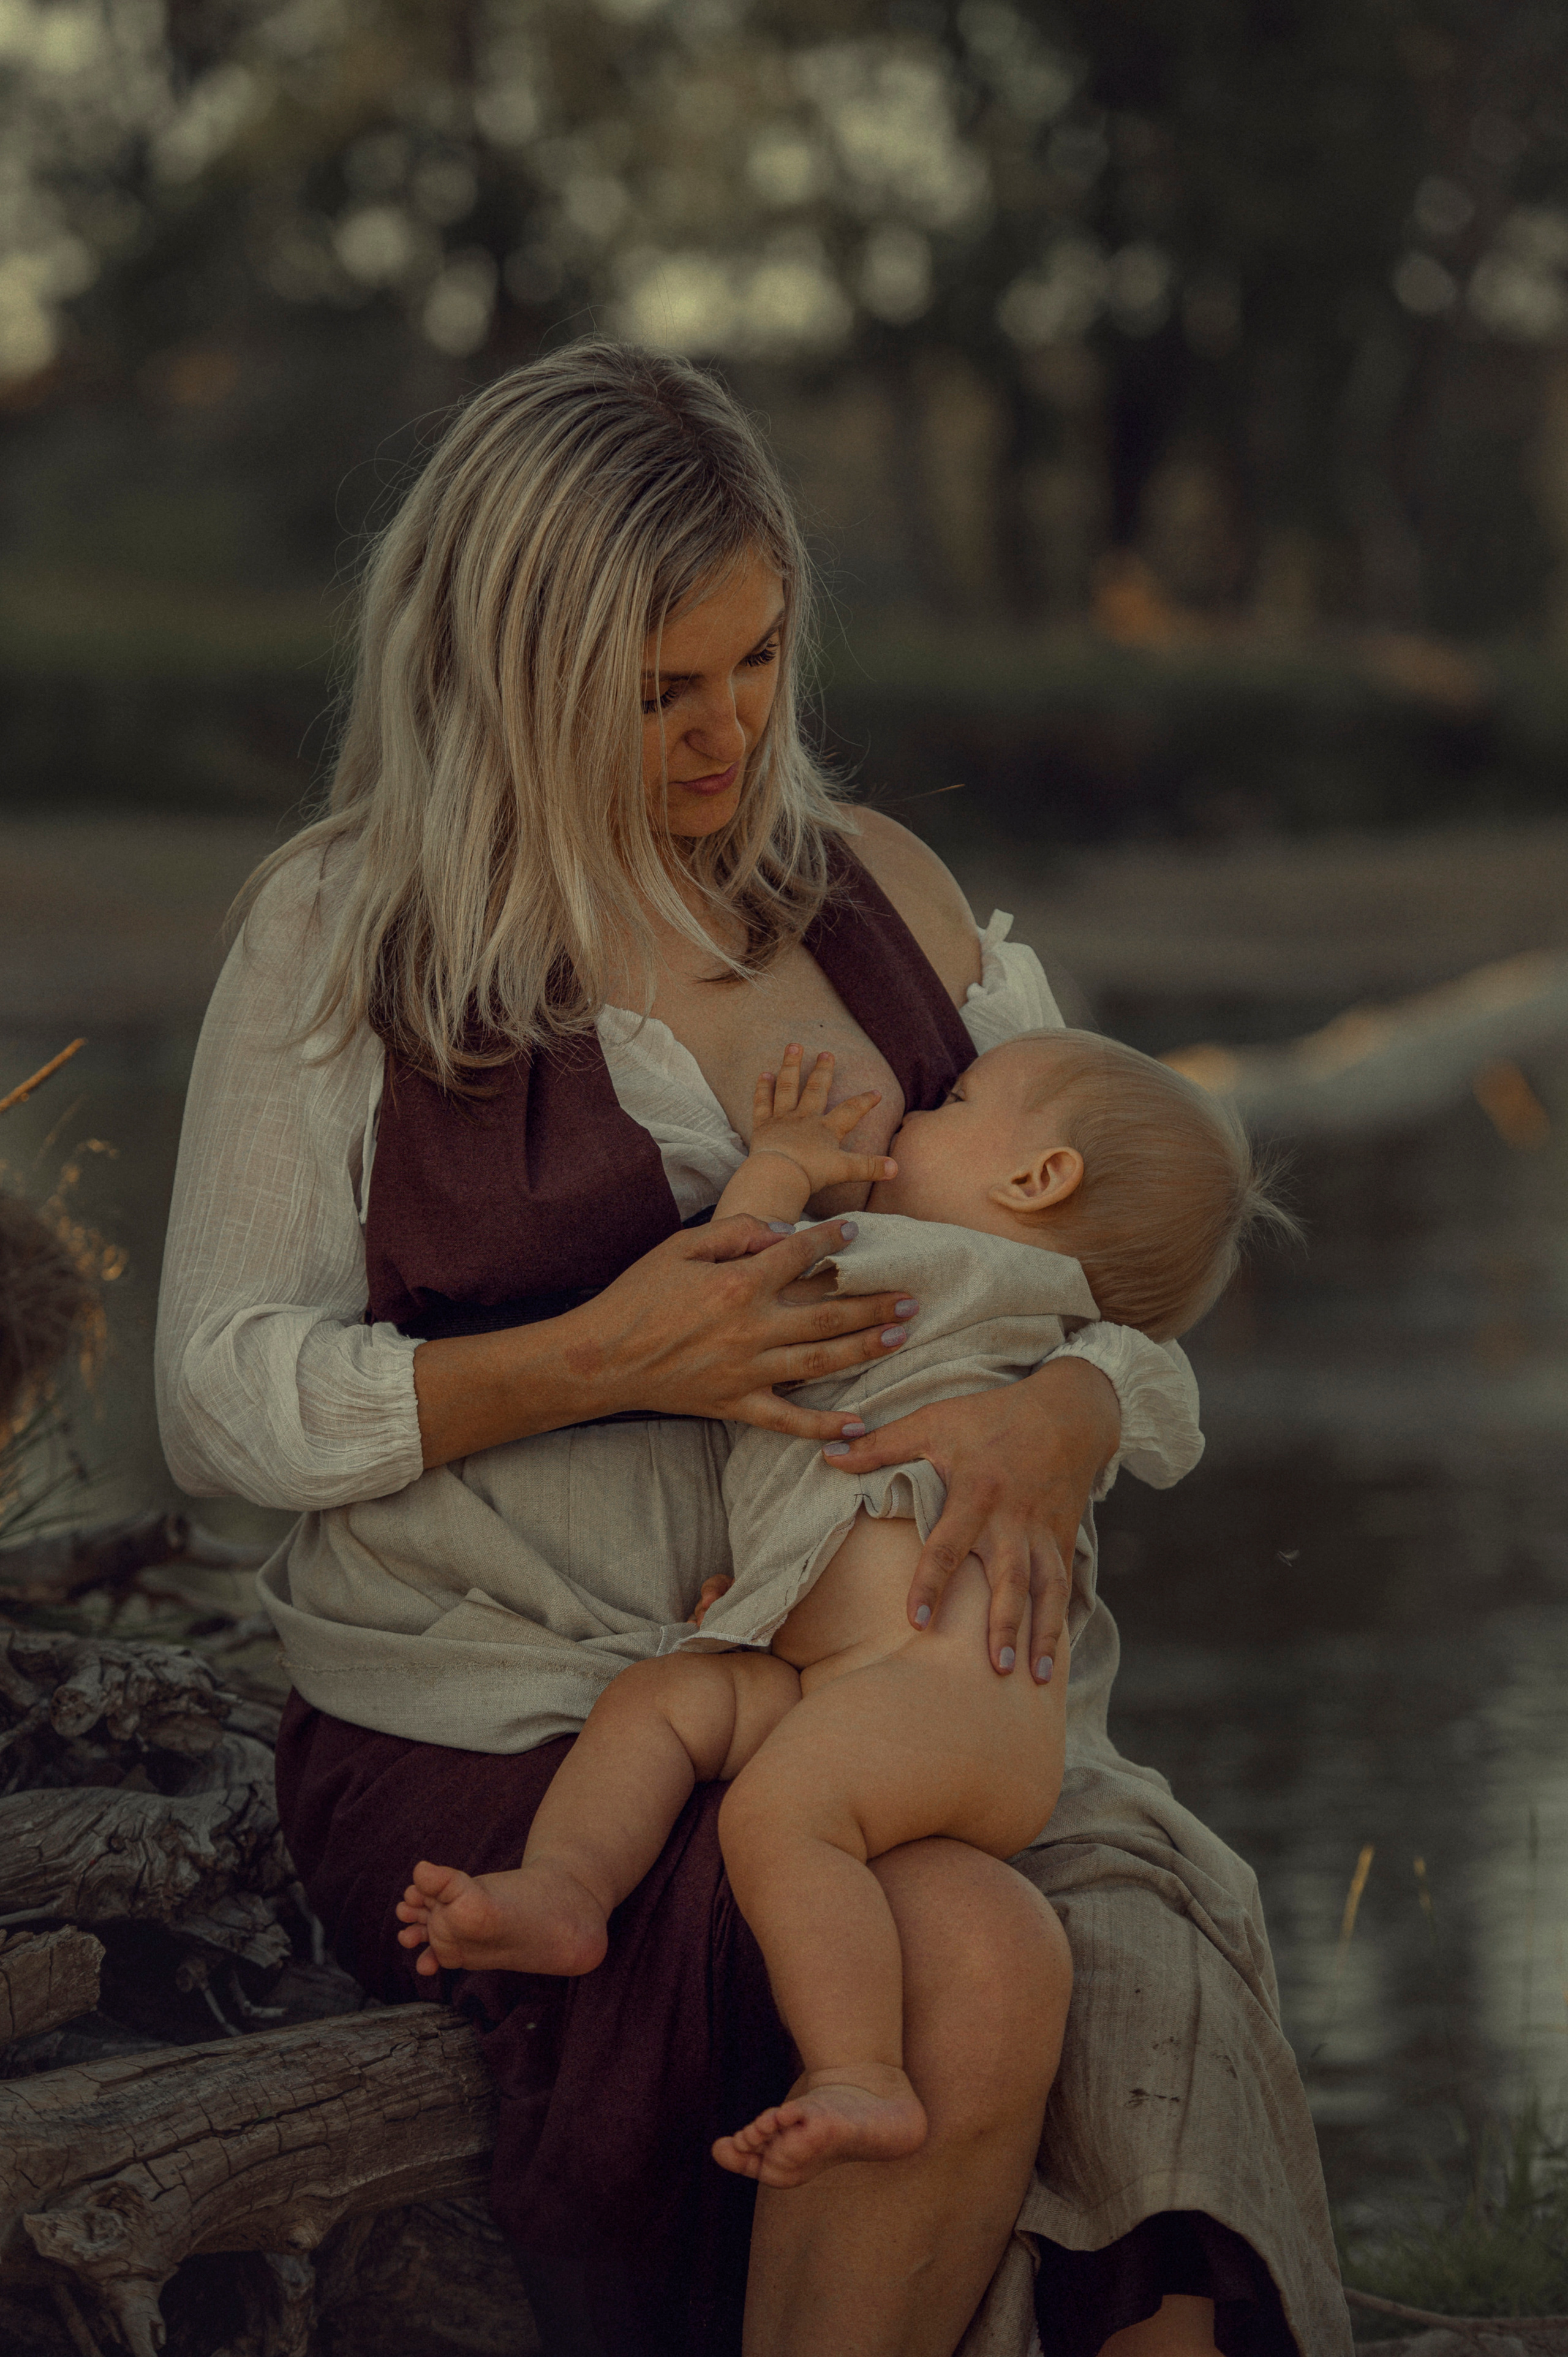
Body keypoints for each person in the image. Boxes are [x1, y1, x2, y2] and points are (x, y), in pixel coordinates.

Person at [156, 339, 1350, 2357]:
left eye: (758, 661)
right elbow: (215, 1392)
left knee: (1130, 1941)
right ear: (521, 669)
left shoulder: (882, 891)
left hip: (871, 1692)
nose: (728, 734)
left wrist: (1068, 1415)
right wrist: (594, 1357)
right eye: (657, 694)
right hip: (507, 1717)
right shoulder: (347, 929)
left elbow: (1112, 1253)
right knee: (979, 1962)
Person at [394, 1027, 1294, 2200]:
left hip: (937, 1699)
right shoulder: (1043, 1332)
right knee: (666, 1701)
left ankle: (861, 2070)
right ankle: (569, 1891)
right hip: (863, 1683)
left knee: (779, 1818)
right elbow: (1158, 1394)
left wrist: (779, 1164)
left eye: (956, 1098)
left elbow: (736, 1274)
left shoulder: (936, 1264)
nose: (920, 1111)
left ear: (1035, 1180)